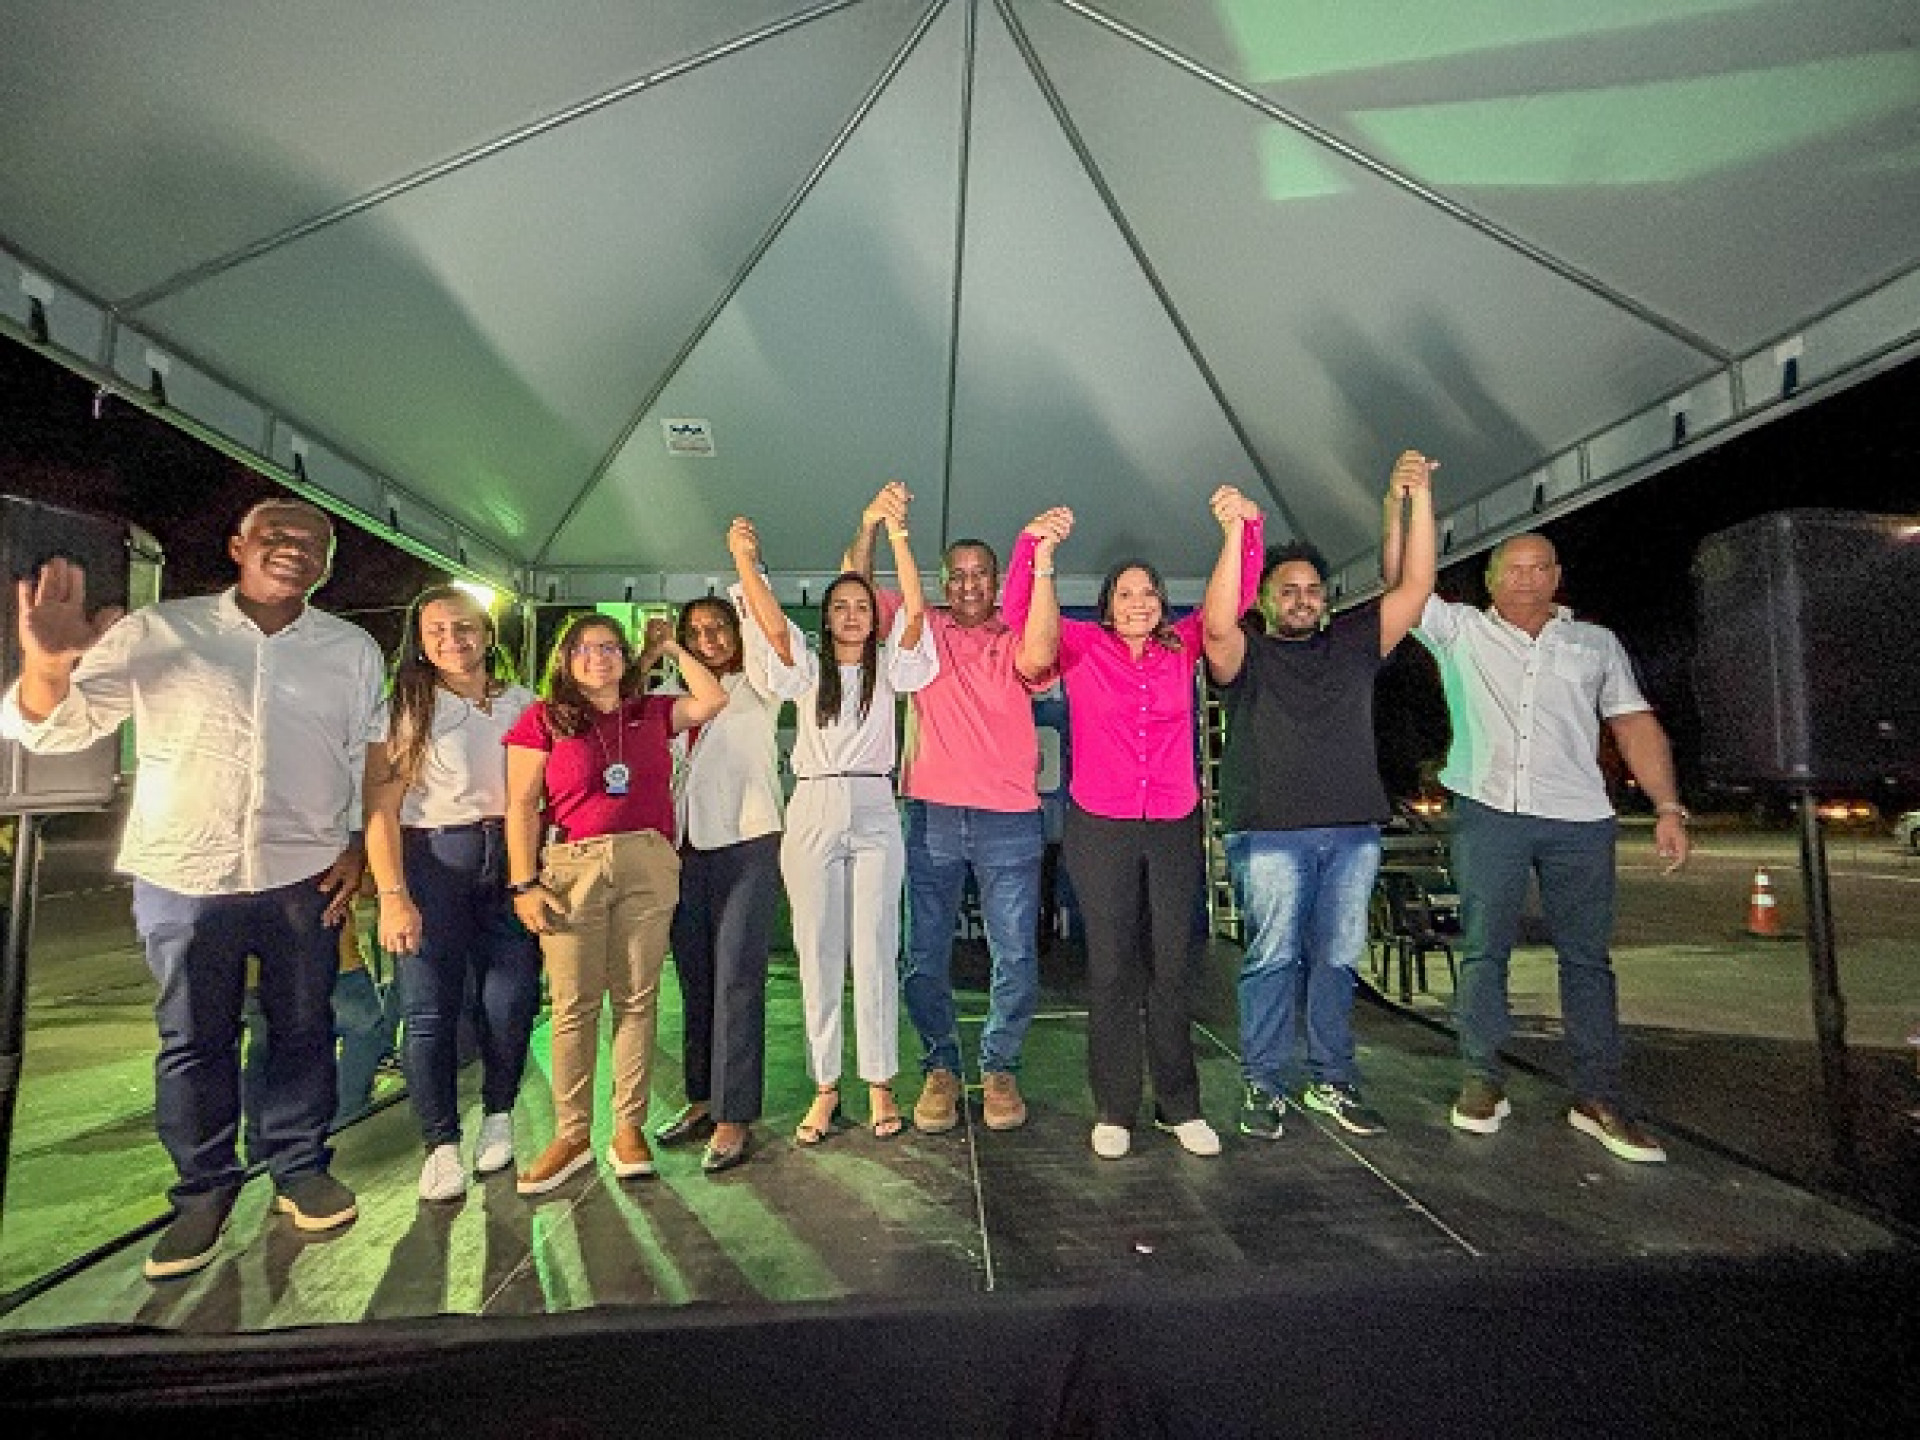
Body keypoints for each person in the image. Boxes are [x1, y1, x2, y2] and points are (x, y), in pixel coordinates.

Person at [2, 498, 381, 1280]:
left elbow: (361, 757)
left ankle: (298, 1167)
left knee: (303, 1027)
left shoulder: (349, 649)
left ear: (328, 564)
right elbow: (55, 730)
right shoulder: (162, 629)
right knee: (192, 1039)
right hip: (184, 873)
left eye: (314, 543)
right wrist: (45, 666)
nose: (294, 550)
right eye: (276, 535)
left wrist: (357, 848)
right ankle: (203, 1192)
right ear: (238, 544)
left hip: (302, 872)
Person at [1407, 531, 1690, 1163]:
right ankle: (1482, 1078)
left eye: (1539, 569)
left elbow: (1634, 723)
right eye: (1514, 569)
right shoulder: (1460, 631)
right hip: (1489, 811)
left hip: (1580, 816)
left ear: (1557, 575)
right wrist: (1406, 503)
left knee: (1587, 960)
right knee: (1485, 951)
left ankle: (1596, 1094)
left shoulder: (1594, 643)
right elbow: (1405, 578)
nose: (1527, 580)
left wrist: (1668, 806)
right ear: (1490, 579)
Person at [1004, 496, 1262, 1159]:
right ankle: (1116, 1107)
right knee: (1114, 968)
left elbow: (1227, 610)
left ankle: (1181, 1106)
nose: (1140, 601)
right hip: (1103, 826)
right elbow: (1031, 645)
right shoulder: (1085, 646)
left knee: (1172, 968)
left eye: (1149, 591)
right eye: (1126, 592)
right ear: (1108, 605)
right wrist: (1038, 559)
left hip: (1173, 824)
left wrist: (1237, 532)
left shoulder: (1182, 649)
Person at [1201, 453, 1438, 1142]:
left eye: (1313, 589)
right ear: (1266, 600)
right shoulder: (1247, 653)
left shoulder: (1357, 644)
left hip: (1353, 833)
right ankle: (1263, 1084)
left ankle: (1333, 1079)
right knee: (1272, 958)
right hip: (1270, 833)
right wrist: (1232, 537)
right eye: (1288, 589)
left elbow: (1417, 583)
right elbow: (1215, 628)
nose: (1303, 598)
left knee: (1338, 960)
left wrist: (1416, 498)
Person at [841, 481, 1056, 1134]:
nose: (967, 585)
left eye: (979, 575)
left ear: (996, 582)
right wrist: (871, 521)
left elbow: (1044, 657)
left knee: (1015, 955)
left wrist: (1042, 560)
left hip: (1009, 818)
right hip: (931, 814)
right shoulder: (920, 627)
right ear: (939, 583)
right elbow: (852, 587)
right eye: (956, 575)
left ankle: (998, 1068)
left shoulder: (1016, 632)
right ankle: (940, 1065)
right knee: (923, 954)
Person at [728, 505, 938, 1145]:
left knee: (876, 947)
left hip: (876, 807)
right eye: (840, 605)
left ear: (876, 611)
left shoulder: (889, 671)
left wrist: (897, 535)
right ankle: (825, 1087)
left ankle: (879, 1082)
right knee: (817, 951)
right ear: (826, 616)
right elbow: (768, 624)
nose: (852, 613)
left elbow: (919, 616)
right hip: (814, 807)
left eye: (862, 604)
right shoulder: (808, 669)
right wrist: (742, 559)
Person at [503, 613, 727, 1194]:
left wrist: (670, 644)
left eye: (608, 647)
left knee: (637, 999)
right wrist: (523, 883)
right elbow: (522, 805)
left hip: (647, 861)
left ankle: (628, 1127)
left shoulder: (650, 711)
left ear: (626, 658)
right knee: (575, 1005)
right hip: (572, 867)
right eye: (582, 648)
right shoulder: (543, 719)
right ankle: (572, 1135)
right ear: (564, 660)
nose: (596, 657)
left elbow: (712, 696)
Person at [363, 584, 543, 1202]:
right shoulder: (406, 707)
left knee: (510, 1002)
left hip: (513, 864)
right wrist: (393, 894)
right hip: (435, 861)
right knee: (430, 1010)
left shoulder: (523, 702)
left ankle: (499, 1114)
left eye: (463, 628)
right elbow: (380, 809)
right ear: (420, 639)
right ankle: (439, 1143)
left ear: (488, 635)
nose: (451, 640)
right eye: (436, 630)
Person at [655, 592, 785, 1174]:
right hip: (686, 848)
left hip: (748, 843)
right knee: (696, 979)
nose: (709, 639)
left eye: (717, 629)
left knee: (736, 977)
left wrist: (676, 648)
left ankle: (736, 1115)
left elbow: (762, 635)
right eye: (695, 631)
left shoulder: (759, 681)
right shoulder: (670, 697)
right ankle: (702, 1099)